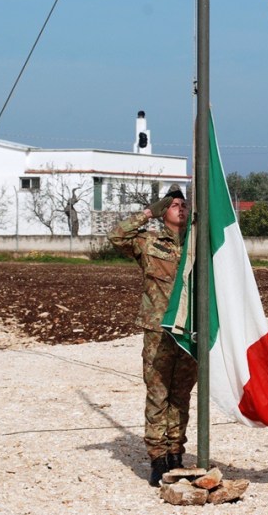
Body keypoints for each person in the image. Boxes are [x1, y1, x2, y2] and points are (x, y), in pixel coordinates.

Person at [108, 184, 197, 487]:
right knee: (158, 395)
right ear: (163, 213)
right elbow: (116, 236)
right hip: (158, 332)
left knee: (181, 395)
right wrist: (148, 212)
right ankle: (158, 458)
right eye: (173, 205)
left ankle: (176, 452)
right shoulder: (149, 243)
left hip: (188, 331)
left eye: (184, 204)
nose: (180, 208)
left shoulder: (197, 244)